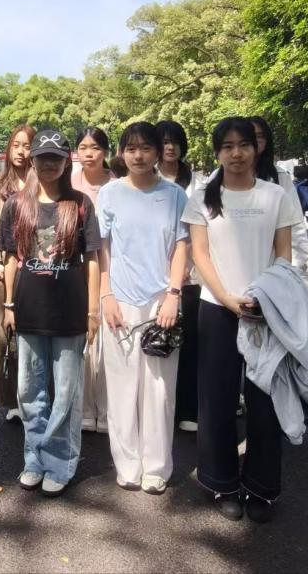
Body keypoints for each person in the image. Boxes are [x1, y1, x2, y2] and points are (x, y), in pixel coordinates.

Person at [182, 117, 298, 523]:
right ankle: (222, 482)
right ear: (217, 152)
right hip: (217, 308)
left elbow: (283, 254)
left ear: (256, 148)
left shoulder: (275, 195)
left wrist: (265, 296)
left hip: (265, 308)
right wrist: (228, 299)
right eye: (227, 146)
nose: (236, 153)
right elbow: (200, 255)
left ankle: (262, 487)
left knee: (265, 401)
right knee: (217, 399)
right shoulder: (203, 197)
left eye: (244, 145)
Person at [1, 129, 100, 496]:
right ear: (33, 161)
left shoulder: (80, 204)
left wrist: (92, 311)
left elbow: (92, 259)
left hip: (70, 313)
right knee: (29, 392)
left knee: (66, 394)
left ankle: (60, 462)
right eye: (42, 158)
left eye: (55, 158)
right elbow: (10, 260)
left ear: (65, 161)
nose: (48, 164)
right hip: (29, 311)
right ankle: (34, 459)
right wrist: (8, 305)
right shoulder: (17, 205)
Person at [97, 122, 190, 496]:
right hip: (119, 300)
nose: (138, 156)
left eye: (146, 148)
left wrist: (174, 294)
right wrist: (106, 295)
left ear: (158, 152)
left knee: (159, 389)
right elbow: (101, 249)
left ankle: (156, 466)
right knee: (122, 386)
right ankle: (127, 464)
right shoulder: (109, 193)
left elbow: (182, 246)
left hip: (160, 302)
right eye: (131, 148)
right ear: (121, 153)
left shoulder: (175, 195)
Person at [154, 120, 204, 434]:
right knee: (159, 341)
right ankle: (160, 409)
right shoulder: (148, 179)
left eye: (175, 141)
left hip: (193, 276)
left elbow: (203, 228)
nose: (170, 147)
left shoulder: (198, 183)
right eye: (164, 141)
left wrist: (189, 263)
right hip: (159, 274)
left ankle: (188, 408)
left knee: (190, 343)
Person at [0, 124, 36, 420]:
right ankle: (10, 398)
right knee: (3, 338)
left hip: (35, 268)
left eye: (27, 145)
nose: (21, 151)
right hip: (3, 269)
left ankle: (33, 397)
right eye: (16, 145)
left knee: (32, 336)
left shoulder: (41, 182)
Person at [71, 127, 114, 434]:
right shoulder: (69, 183)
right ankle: (85, 408)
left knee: (110, 345)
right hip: (78, 271)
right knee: (84, 342)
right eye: (83, 147)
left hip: (113, 271)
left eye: (95, 147)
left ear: (105, 152)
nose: (89, 153)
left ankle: (108, 410)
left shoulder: (119, 184)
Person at [250, 117, 308, 273]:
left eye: (261, 136)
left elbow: (294, 221)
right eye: (250, 136)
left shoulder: (279, 177)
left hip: (270, 267)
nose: (256, 141)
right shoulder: (219, 178)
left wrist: (297, 263)